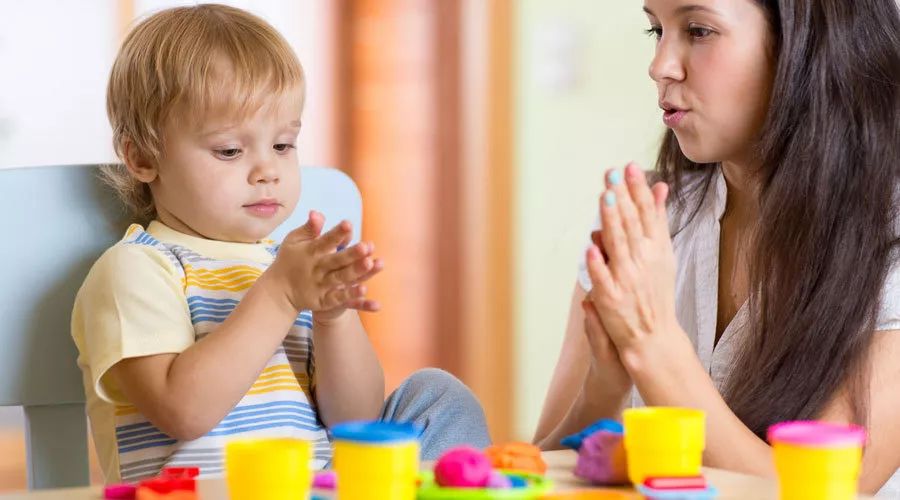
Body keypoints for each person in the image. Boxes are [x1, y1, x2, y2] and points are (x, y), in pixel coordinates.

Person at [71, 4, 489, 483]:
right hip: (207, 492)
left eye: (283, 145)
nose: (267, 170)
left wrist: (332, 319)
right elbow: (182, 411)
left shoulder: (289, 267)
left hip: (317, 485)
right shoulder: (137, 269)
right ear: (144, 158)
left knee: (439, 396)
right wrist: (279, 296)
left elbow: (356, 421)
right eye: (230, 150)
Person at [535, 0, 900, 495]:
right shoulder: (645, 219)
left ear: (807, 43)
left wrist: (653, 347)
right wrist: (604, 387)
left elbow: (828, 491)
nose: (660, 66)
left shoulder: (889, 244)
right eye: (655, 31)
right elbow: (539, 470)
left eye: (699, 30)